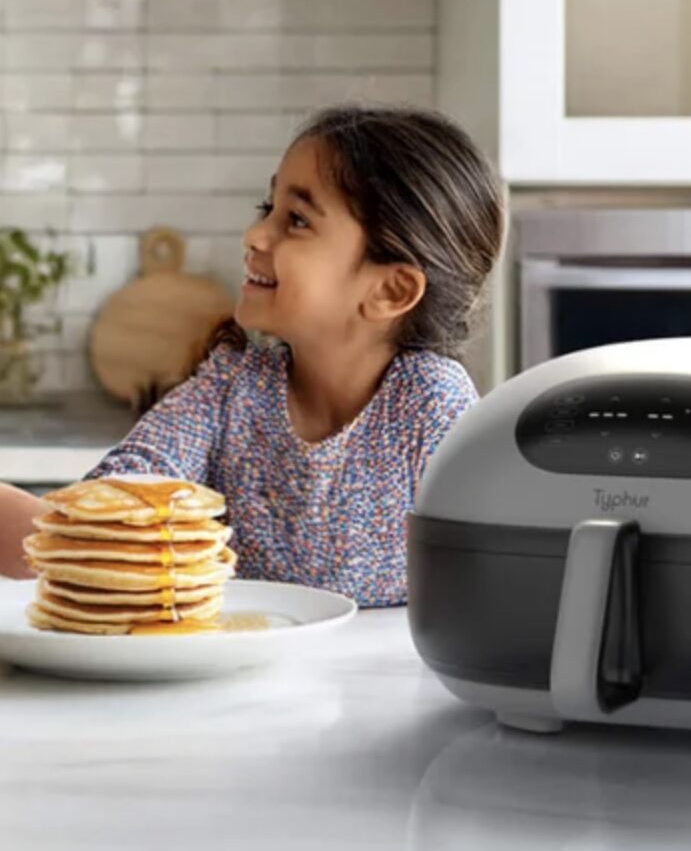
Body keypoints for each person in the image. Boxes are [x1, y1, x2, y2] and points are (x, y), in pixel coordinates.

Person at [0, 104, 505, 608]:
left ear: (391, 290)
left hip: (391, 683)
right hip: (244, 681)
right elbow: (99, 528)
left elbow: (493, 586)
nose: (255, 235)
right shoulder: (232, 388)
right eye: (268, 210)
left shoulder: (431, 405)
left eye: (297, 220)